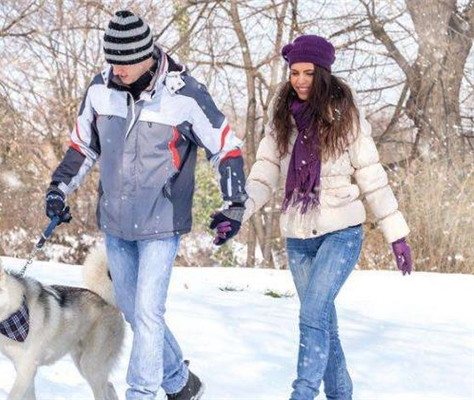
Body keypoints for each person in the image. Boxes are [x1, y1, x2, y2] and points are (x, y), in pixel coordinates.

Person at [45, 10, 247, 400]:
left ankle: (142, 393)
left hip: (162, 221)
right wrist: (58, 188)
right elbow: (83, 145)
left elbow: (226, 147)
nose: (115, 70)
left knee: (150, 314)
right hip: (116, 223)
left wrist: (234, 202)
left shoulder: (185, 94)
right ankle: (179, 383)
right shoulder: (100, 90)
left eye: (123, 63)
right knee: (136, 314)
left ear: (147, 55)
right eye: (111, 61)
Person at [229, 35, 413, 400]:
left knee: (312, 315)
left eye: (308, 73)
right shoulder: (282, 119)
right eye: (294, 72)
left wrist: (396, 233)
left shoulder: (346, 118)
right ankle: (340, 395)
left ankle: (303, 393)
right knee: (323, 323)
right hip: (298, 236)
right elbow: (264, 175)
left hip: (340, 233)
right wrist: (238, 212)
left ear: (323, 73)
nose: (299, 80)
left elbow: (373, 179)